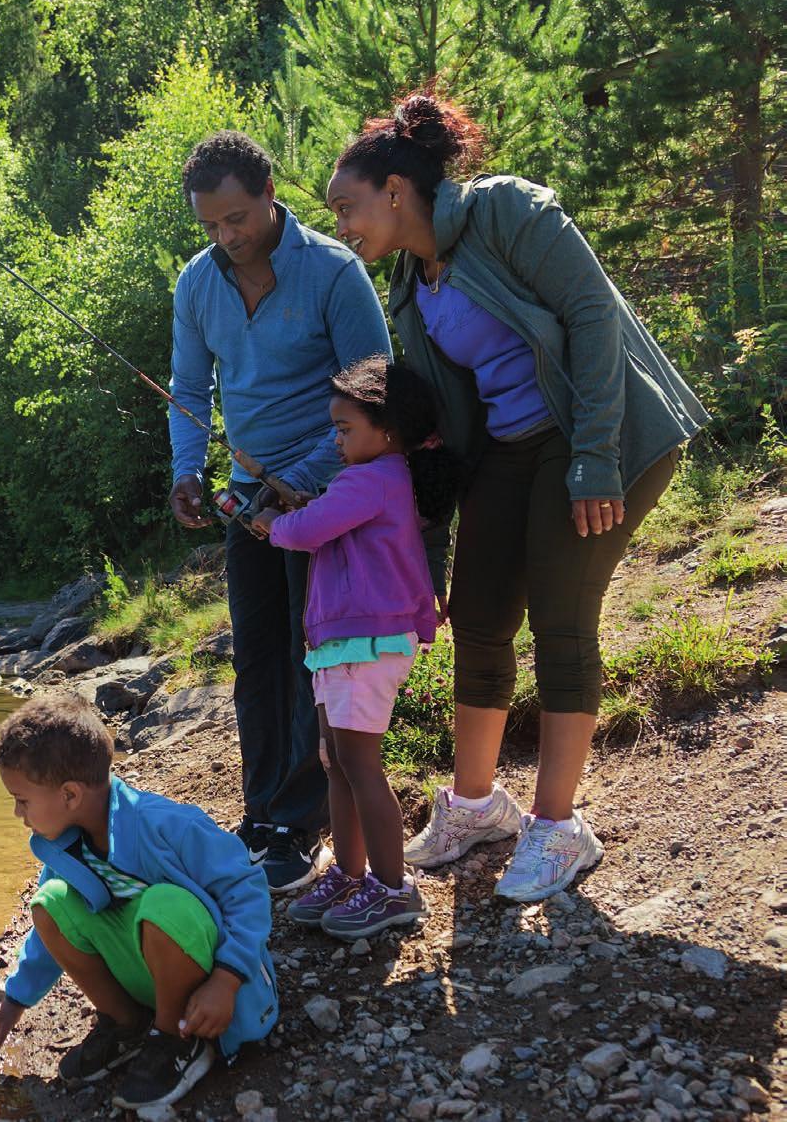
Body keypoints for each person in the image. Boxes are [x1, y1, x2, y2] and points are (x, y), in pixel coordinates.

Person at [326, 94, 710, 903]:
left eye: (347, 208)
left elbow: (591, 316)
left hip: (601, 435)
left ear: (396, 190)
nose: (342, 228)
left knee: (561, 620)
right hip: (511, 449)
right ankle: (474, 807)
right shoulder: (410, 283)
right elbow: (441, 420)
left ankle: (558, 827)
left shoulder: (506, 211)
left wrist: (596, 459)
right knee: (479, 615)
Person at [169, 131, 392, 892]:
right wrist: (185, 472)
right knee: (256, 658)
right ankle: (260, 809)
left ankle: (301, 822)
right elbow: (189, 390)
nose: (224, 237)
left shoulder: (333, 271)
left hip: (325, 499)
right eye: (209, 226)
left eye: (234, 219)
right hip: (247, 501)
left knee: (311, 662)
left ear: (268, 196)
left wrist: (297, 478)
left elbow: (374, 388)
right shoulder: (197, 284)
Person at [0, 693, 277, 1113]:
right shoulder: (67, 848)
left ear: (69, 795)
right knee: (49, 904)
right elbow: (48, 936)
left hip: (216, 990)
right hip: (152, 973)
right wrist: (13, 1003)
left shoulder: (166, 825)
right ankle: (128, 1025)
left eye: (21, 800)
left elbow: (247, 888)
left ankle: (176, 1039)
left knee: (164, 904)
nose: (16, 813)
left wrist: (226, 981)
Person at [251, 356, 460, 939]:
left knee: (359, 766)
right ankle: (350, 872)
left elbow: (307, 531)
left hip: (365, 645)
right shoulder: (372, 481)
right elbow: (326, 524)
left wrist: (272, 523)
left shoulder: (372, 479)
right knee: (335, 763)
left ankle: (393, 889)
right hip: (340, 644)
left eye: (344, 430)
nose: (336, 441)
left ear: (388, 430)